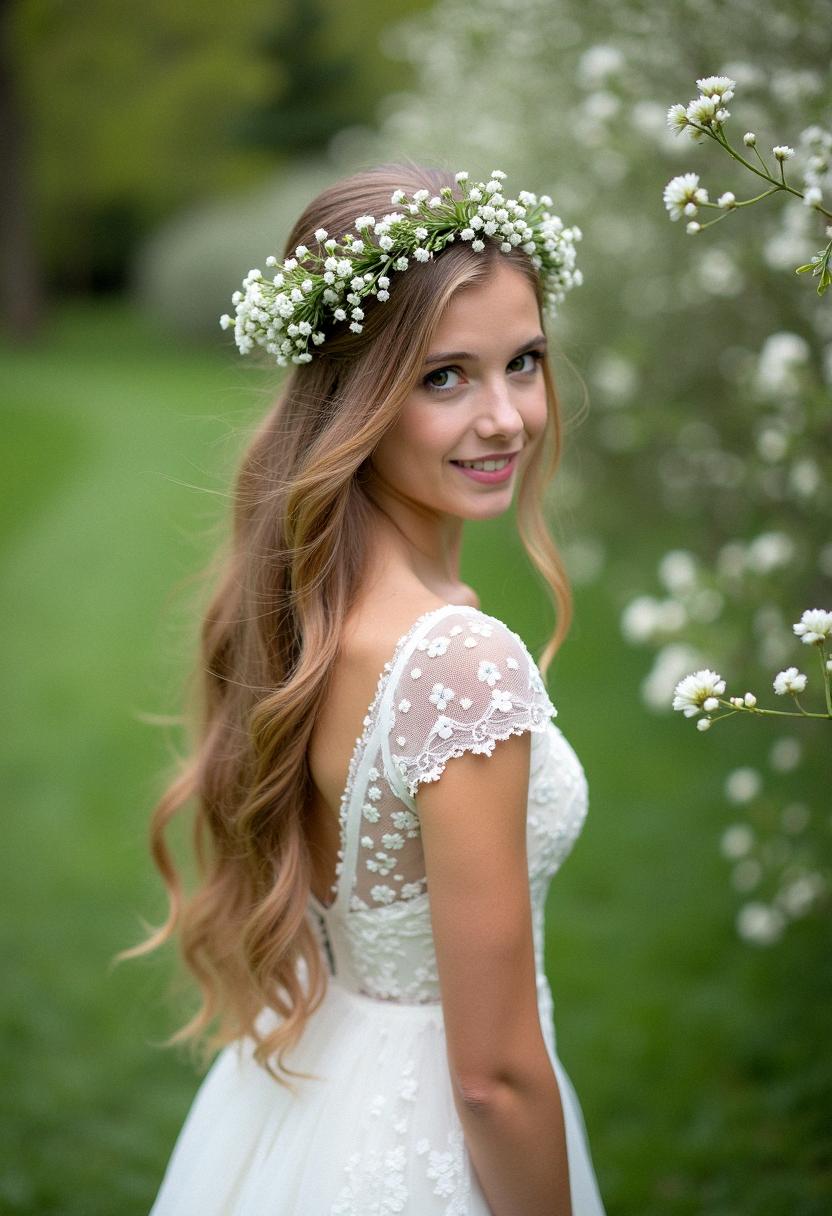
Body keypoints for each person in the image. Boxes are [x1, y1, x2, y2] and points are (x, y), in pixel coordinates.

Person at [127, 161, 606, 1215]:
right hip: (431, 1129)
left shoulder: (322, 606)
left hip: (321, 1086)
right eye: (445, 377)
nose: (506, 418)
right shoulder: (458, 664)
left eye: (522, 363)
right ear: (357, 395)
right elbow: (492, 1075)